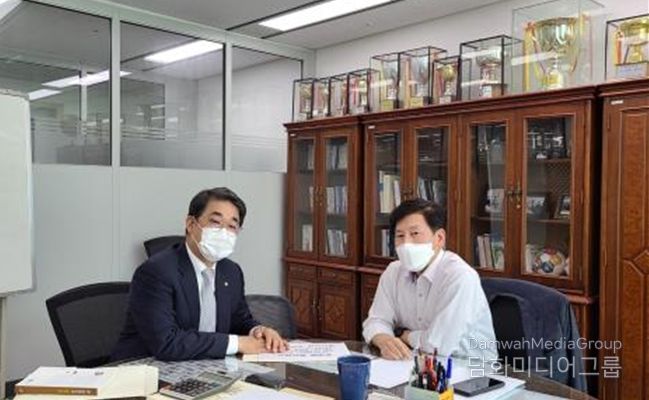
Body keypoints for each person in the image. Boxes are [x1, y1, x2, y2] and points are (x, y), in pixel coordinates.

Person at [112, 187, 287, 361]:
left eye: (232, 226)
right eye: (216, 222)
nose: (224, 232)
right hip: (145, 368)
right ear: (190, 224)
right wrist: (237, 343)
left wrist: (258, 331)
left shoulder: (231, 272)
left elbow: (239, 320)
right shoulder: (156, 272)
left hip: (203, 366)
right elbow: (166, 343)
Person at [363, 199, 497, 361]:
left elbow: (438, 345)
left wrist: (405, 335)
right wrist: (384, 339)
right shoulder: (393, 271)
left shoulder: (459, 276)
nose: (406, 243)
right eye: (400, 236)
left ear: (439, 238)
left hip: (470, 367)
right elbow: (375, 321)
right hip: (414, 361)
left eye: (415, 234)